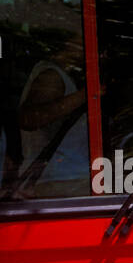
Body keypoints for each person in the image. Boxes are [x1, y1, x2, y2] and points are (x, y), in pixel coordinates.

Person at [16, 41, 90, 196]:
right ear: (67, 45)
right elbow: (30, 119)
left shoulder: (64, 75)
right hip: (59, 179)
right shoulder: (51, 76)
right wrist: (87, 94)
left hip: (68, 176)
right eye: (81, 43)